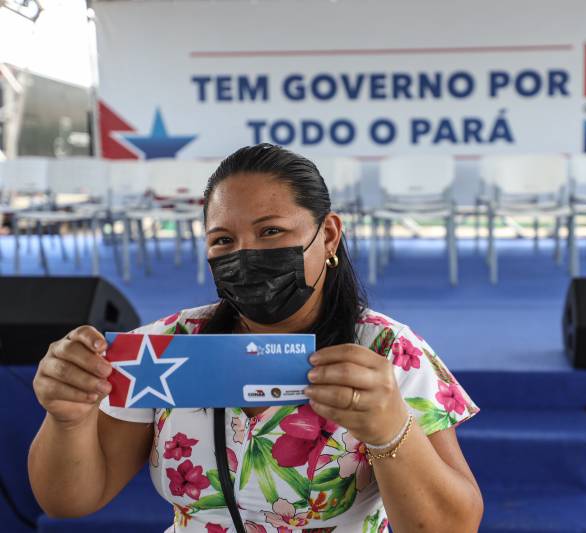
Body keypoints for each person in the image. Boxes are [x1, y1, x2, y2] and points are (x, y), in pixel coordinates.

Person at [28, 144, 483, 532]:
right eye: (223, 240)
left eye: (271, 231)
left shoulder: (386, 353)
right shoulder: (166, 346)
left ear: (327, 235)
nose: (246, 255)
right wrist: (69, 419)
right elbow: (68, 502)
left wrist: (389, 430)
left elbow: (453, 525)